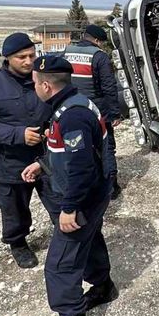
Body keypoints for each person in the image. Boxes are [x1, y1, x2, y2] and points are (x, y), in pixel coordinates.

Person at [21, 55, 117, 316]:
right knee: (90, 238)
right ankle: (103, 286)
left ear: (46, 86)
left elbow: (81, 166)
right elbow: (70, 153)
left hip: (83, 196)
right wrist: (43, 164)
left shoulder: (72, 114)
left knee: (60, 265)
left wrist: (70, 208)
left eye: (35, 83)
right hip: (94, 191)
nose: (34, 87)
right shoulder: (72, 103)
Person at [0, 33, 60, 268]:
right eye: (21, 57)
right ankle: (18, 243)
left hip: (47, 155)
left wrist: (53, 129)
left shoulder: (44, 77)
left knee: (59, 198)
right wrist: (18, 135)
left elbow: (59, 106)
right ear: (7, 58)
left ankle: (65, 237)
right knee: (13, 208)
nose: (29, 61)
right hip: (11, 160)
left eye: (32, 55)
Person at [63, 24, 124, 200]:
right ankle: (111, 188)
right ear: (97, 40)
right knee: (106, 148)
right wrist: (114, 114)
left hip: (71, 110)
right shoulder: (99, 56)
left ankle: (82, 186)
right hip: (96, 112)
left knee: (77, 149)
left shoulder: (67, 52)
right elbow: (109, 87)